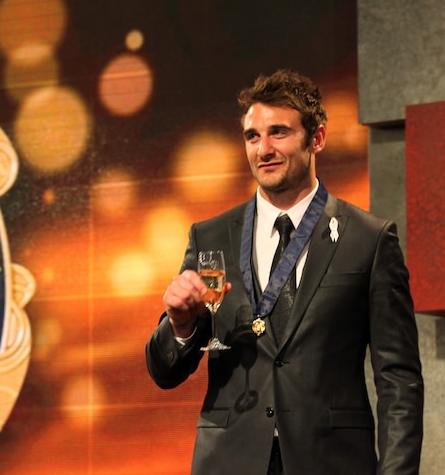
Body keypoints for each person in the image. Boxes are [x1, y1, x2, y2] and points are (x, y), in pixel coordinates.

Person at [145, 69, 423, 474]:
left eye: (279, 133)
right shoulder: (210, 238)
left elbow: (399, 381)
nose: (263, 149)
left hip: (332, 461)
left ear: (318, 139)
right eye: (252, 136)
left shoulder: (370, 239)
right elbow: (165, 372)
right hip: (229, 460)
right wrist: (180, 325)